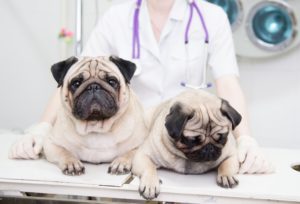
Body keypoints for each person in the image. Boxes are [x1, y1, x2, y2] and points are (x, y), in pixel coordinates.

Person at [9, 0, 274, 174]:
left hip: (187, 144)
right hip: (127, 146)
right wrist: (42, 127)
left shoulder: (212, 17)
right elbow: (77, 80)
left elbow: (227, 82)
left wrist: (245, 138)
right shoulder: (117, 16)